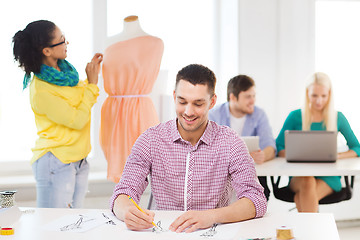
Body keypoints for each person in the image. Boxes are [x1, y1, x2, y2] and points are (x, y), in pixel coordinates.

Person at [110, 64, 267, 233]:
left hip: (214, 234)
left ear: (212, 101)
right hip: (164, 234)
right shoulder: (150, 139)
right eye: (182, 101)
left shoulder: (231, 143)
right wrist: (127, 211)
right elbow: (123, 193)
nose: (188, 111)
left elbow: (256, 199)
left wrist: (210, 216)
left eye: (198, 103)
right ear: (174, 96)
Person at [12, 20, 103, 208]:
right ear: (47, 51)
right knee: (52, 230)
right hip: (56, 162)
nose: (66, 43)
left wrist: (92, 74)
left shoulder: (65, 73)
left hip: (78, 160)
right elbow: (77, 119)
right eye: (61, 40)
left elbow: (78, 99)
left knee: (73, 226)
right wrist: (92, 85)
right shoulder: (41, 90)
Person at [276, 72, 360, 212]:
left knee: (303, 196)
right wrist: (293, 154)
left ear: (329, 94)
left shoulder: (337, 117)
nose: (319, 101)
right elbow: (278, 146)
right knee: (307, 181)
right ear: (307, 93)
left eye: (323, 96)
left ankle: (306, 232)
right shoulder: (295, 116)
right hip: (299, 176)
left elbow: (357, 147)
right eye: (314, 95)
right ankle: (314, 233)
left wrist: (337, 155)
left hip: (328, 177)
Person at [100, 15, 164, 183]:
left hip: (141, 110)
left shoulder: (156, 44)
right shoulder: (108, 42)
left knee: (144, 159)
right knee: (119, 168)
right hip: (114, 111)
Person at [209, 75, 276, 200]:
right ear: (233, 97)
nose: (252, 101)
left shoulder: (259, 114)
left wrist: (263, 155)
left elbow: (270, 146)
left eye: (254, 96)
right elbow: (208, 149)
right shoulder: (214, 115)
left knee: (259, 192)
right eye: (248, 97)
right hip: (222, 176)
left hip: (252, 172)